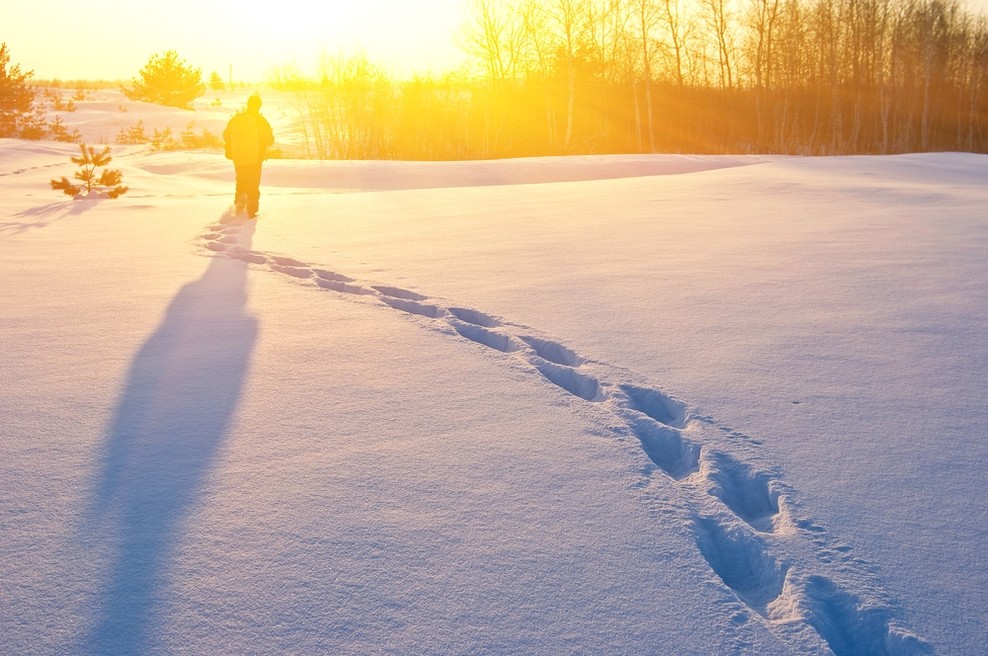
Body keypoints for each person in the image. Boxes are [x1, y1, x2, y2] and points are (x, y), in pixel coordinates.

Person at [223, 94, 274, 218]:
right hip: (255, 158)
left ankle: (239, 205)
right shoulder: (260, 120)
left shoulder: (236, 119)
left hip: (239, 158)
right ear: (259, 106)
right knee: (253, 184)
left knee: (241, 182)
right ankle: (251, 211)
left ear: (248, 104)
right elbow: (270, 140)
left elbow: (225, 135)